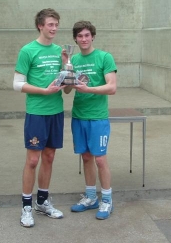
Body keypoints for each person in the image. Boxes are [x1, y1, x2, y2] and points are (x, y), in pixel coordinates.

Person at [13, 8, 67, 228]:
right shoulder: (28, 50)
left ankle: (42, 202)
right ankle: (26, 206)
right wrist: (43, 91)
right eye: (50, 24)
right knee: (33, 160)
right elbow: (17, 84)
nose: (54, 28)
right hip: (36, 112)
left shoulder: (59, 51)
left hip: (56, 112)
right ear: (40, 26)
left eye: (56, 24)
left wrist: (67, 67)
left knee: (49, 157)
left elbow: (65, 85)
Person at [64, 20, 117, 220]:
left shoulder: (104, 57)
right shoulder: (74, 59)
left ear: (92, 36)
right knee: (86, 157)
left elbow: (112, 87)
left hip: (98, 117)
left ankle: (107, 199)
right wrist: (66, 68)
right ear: (75, 39)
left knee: (100, 159)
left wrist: (89, 89)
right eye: (80, 36)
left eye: (87, 35)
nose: (84, 39)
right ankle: (91, 197)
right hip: (79, 115)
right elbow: (68, 89)